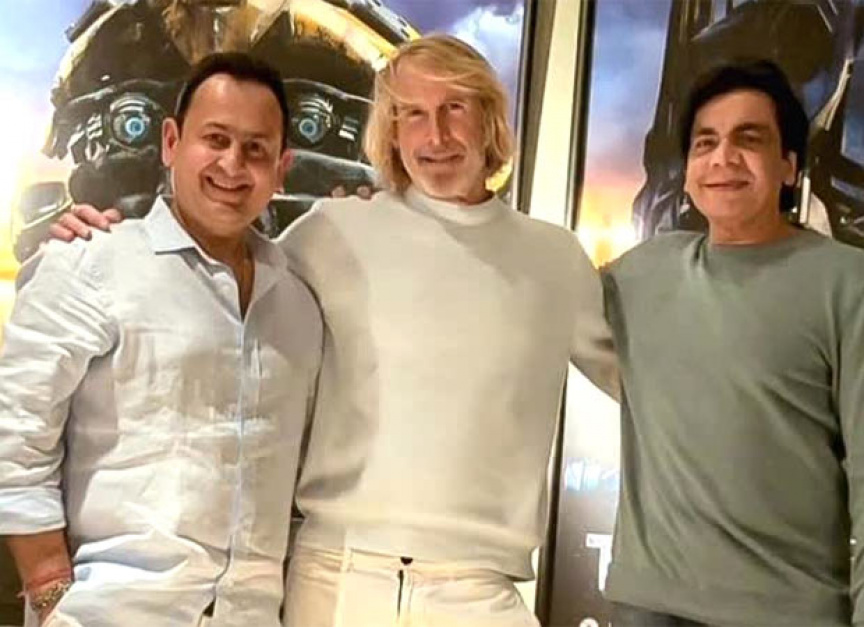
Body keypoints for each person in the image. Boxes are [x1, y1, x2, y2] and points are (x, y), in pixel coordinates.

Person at [50, 34, 619, 626]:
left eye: (455, 107)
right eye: (412, 114)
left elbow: (647, 390)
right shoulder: (332, 230)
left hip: (480, 589)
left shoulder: (556, 259)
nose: (436, 136)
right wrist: (106, 238)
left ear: (489, 119)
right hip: (335, 578)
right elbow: (206, 282)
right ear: (391, 132)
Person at [0, 53, 322, 626]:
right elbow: (16, 440)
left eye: (256, 149)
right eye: (215, 139)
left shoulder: (298, 305)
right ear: (172, 143)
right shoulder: (90, 263)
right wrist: (50, 594)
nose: (232, 164)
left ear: (282, 168)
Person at [602, 60, 864, 626]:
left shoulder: (848, 283)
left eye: (749, 139)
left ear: (789, 165)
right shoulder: (639, 274)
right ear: (688, 171)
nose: (723, 158)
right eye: (706, 143)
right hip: (647, 608)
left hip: (788, 613)